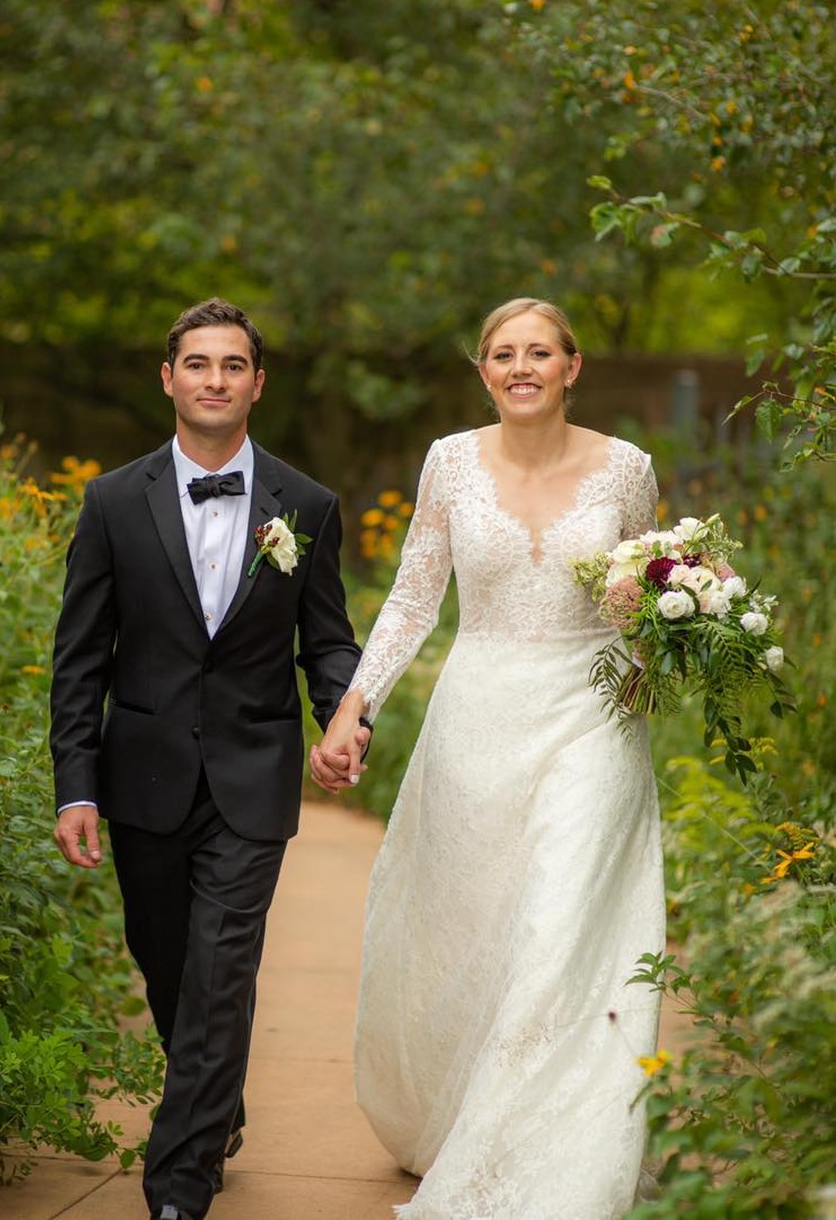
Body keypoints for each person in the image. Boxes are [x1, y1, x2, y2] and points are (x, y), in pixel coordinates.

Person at [311, 297, 666, 1219]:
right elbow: (412, 601)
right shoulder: (450, 464)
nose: (521, 367)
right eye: (502, 354)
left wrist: (660, 648)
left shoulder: (628, 469)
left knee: (561, 931)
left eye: (538, 352)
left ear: (571, 366)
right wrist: (355, 708)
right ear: (482, 370)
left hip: (594, 720)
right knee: (476, 936)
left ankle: (552, 1160)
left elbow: (647, 601)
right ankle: (460, 1113)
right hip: (477, 720)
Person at [50, 297, 366, 1220]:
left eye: (233, 366)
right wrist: (77, 786)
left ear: (257, 384)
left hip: (251, 777)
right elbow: (80, 658)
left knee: (222, 972)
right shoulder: (112, 501)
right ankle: (215, 1099)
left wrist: (346, 718)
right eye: (198, 364)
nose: (214, 380)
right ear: (169, 377)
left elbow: (328, 642)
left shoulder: (306, 505)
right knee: (168, 965)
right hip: (140, 775)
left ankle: (178, 1186)